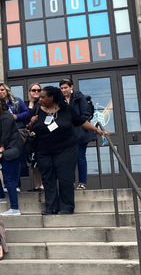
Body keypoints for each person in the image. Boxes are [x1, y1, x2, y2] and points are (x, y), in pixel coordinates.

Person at [27, 86, 108, 215]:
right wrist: (31, 123)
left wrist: (98, 130)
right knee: (48, 179)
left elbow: (81, 122)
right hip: (44, 151)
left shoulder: (67, 110)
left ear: (52, 98)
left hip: (66, 149)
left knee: (65, 178)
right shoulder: (37, 109)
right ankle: (51, 207)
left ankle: (66, 207)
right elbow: (31, 129)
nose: (40, 99)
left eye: (43, 97)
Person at [0, 97, 24, 216]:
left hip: (11, 151)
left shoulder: (6, 116)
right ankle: (1, 196)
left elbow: (6, 136)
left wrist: (0, 152)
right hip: (0, 151)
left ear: (2, 105)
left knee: (9, 179)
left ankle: (14, 208)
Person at [59, 78, 96, 190]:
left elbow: (86, 113)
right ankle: (71, 183)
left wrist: (78, 122)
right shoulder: (60, 100)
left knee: (80, 156)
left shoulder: (79, 97)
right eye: (61, 88)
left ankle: (82, 182)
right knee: (68, 159)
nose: (64, 90)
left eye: (66, 87)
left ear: (71, 87)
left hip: (80, 131)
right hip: (66, 134)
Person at [24, 83, 43, 192]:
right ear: (29, 91)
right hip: (28, 137)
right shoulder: (25, 104)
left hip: (39, 135)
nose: (36, 92)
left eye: (38, 90)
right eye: (33, 90)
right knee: (32, 162)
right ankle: (37, 185)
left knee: (40, 161)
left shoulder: (42, 103)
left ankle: (43, 185)